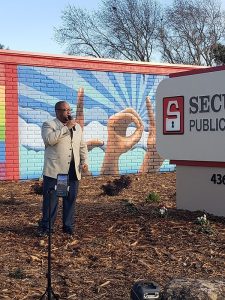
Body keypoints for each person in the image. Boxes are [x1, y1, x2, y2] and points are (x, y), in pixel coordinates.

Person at [38, 100, 88, 236]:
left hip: (72, 170)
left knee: (70, 199)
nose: (68, 113)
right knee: (51, 201)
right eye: (65, 110)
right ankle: (47, 228)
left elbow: (82, 146)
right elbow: (49, 140)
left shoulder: (77, 127)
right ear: (57, 111)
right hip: (56, 171)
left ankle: (68, 226)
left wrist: (84, 161)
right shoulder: (49, 124)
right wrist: (66, 128)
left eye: (69, 110)